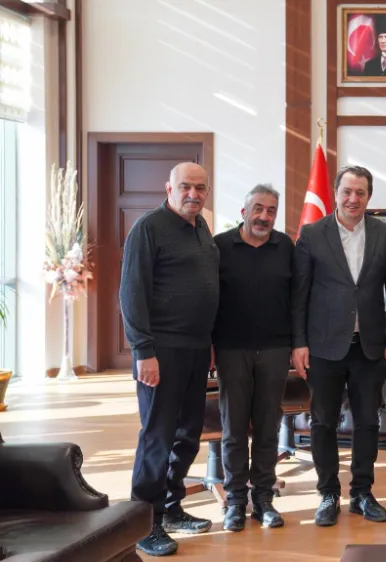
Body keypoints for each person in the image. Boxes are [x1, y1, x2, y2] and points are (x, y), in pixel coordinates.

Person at [291, 165, 386, 526]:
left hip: (370, 346)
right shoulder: (313, 234)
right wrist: (299, 342)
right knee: (323, 422)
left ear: (369, 196)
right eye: (347, 191)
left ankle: (362, 493)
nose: (353, 199)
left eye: (360, 193)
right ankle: (328, 493)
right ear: (336, 193)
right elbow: (299, 295)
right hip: (323, 346)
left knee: (367, 422)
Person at [120, 162, 219, 557]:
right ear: (169, 188)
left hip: (196, 350)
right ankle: (144, 521)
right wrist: (143, 352)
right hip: (160, 351)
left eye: (200, 187)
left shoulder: (201, 228)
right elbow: (132, 294)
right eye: (185, 187)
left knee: (188, 434)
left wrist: (209, 342)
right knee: (158, 436)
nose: (193, 194)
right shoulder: (148, 228)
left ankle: (172, 506)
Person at [213, 184, 293, 532]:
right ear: (244, 212)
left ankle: (263, 499)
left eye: (271, 211)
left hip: (275, 350)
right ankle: (235, 501)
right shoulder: (220, 246)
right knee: (233, 428)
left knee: (267, 427)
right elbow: (209, 298)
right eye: (258, 208)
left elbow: (296, 297)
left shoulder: (285, 246)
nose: (264, 216)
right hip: (231, 349)